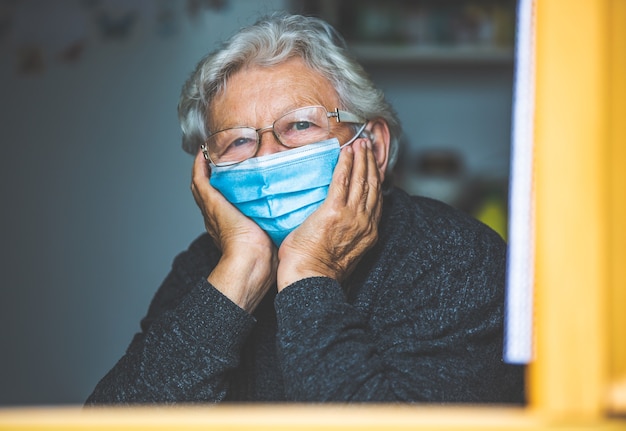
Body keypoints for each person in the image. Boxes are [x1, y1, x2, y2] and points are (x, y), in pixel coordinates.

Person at [86, 12, 524, 404]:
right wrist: (239, 275)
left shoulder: (457, 261)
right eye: (238, 140)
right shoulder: (205, 266)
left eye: (299, 125)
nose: (268, 155)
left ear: (372, 144)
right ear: (207, 169)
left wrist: (308, 277)